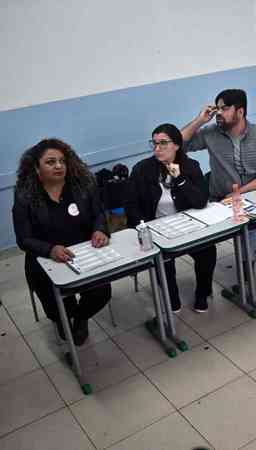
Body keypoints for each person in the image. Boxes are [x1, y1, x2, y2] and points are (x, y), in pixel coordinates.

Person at [181, 89, 256, 280]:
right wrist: (199, 120)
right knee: (250, 233)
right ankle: (247, 266)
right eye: (217, 108)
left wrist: (240, 192)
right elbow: (178, 145)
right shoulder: (210, 133)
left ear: (240, 112)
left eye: (225, 108)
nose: (218, 113)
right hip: (222, 199)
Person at [12, 138, 112, 346]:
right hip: (45, 261)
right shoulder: (25, 195)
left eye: (62, 161)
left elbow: (99, 214)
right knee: (58, 308)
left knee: (101, 293)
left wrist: (100, 230)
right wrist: (49, 249)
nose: (58, 166)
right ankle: (64, 319)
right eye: (50, 162)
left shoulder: (82, 185)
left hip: (85, 253)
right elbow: (24, 239)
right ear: (36, 167)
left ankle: (81, 317)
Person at [125, 123, 216, 313]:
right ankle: (172, 297)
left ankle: (202, 294)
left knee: (208, 252)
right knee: (163, 262)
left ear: (176, 145)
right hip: (155, 228)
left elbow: (200, 201)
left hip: (187, 225)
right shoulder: (142, 169)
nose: (157, 149)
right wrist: (143, 229)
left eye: (163, 143)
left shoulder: (190, 166)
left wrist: (180, 179)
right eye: (154, 143)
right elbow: (131, 205)